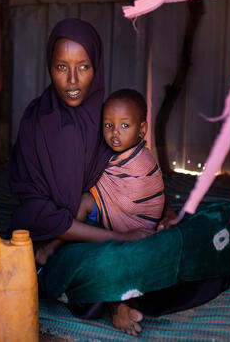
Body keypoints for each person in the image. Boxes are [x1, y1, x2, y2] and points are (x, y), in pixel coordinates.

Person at [8, 18, 172, 335]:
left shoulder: (107, 119)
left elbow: (129, 180)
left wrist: (165, 212)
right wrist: (121, 238)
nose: (72, 79)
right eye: (61, 67)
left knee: (164, 244)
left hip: (104, 223)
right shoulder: (35, 122)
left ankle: (115, 294)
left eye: (83, 67)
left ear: (96, 66)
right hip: (51, 240)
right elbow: (33, 209)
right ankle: (115, 301)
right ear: (48, 66)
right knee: (93, 263)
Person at [35, 88, 167, 265]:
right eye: (108, 125)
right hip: (124, 216)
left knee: (81, 201)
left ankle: (51, 247)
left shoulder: (141, 161)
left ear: (142, 129)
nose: (115, 133)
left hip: (137, 223)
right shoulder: (117, 153)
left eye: (125, 125)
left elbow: (153, 191)